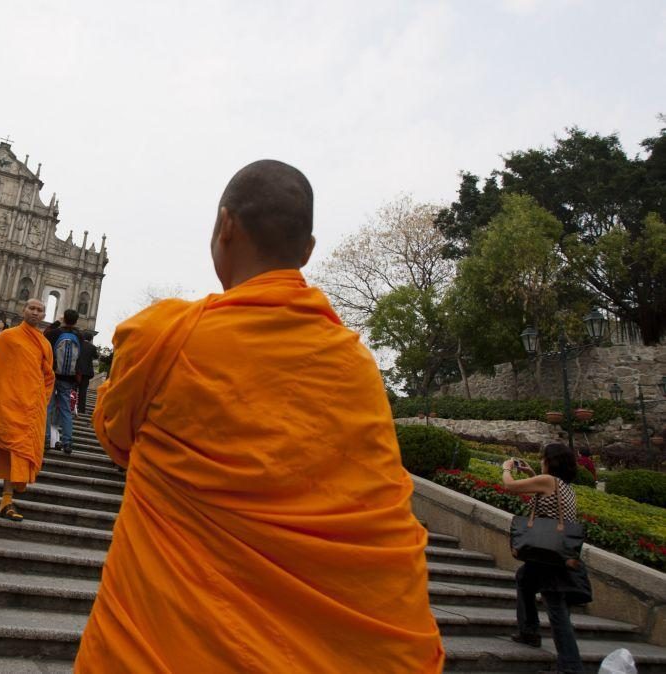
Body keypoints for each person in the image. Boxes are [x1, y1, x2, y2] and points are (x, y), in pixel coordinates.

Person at [74, 160, 444, 673]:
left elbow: (115, 436)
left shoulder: (164, 337)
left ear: (225, 226)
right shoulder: (355, 364)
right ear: (308, 251)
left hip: (165, 646)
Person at [502, 444, 588, 674]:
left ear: (550, 461)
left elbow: (509, 486)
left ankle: (571, 666)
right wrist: (531, 475)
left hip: (548, 556)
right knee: (524, 578)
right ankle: (529, 631)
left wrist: (506, 468)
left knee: (556, 608)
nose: (541, 461)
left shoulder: (549, 482)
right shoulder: (565, 487)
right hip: (556, 552)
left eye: (543, 459)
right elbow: (535, 496)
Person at [0, 299, 53, 521]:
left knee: (17, 454)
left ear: (44, 315)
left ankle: (7, 500)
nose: (35, 312)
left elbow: (48, 376)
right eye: (31, 308)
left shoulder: (45, 344)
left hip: (28, 408)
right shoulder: (7, 337)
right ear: (23, 310)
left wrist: (40, 402)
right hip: (4, 404)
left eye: (39, 310)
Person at [43, 309, 81, 454]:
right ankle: (67, 442)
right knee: (66, 410)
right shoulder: (79, 336)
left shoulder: (54, 333)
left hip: (52, 375)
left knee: (48, 407)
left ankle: (46, 439)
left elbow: (44, 335)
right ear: (76, 321)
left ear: (64, 318)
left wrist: (57, 322)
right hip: (68, 379)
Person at [76, 331, 98, 414]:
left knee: (73, 389)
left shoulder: (78, 344)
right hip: (86, 372)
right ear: (91, 339)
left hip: (76, 370)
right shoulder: (92, 347)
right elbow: (96, 356)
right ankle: (81, 409)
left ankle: (71, 406)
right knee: (83, 391)